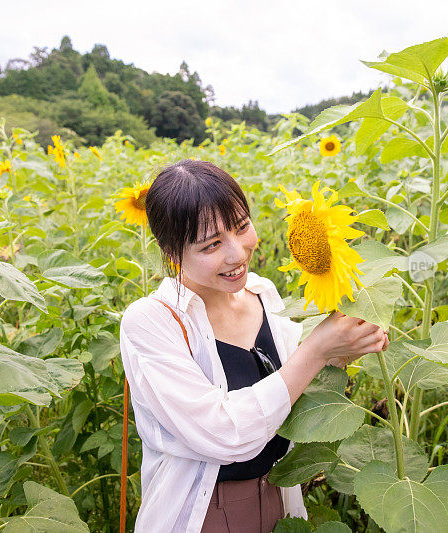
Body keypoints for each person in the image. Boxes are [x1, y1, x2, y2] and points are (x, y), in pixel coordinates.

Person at [119, 159, 389, 533]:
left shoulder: (263, 293)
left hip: (280, 497)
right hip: (203, 511)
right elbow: (222, 432)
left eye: (242, 226)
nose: (237, 254)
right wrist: (315, 351)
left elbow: (294, 389)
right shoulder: (152, 322)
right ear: (172, 252)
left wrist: (343, 350)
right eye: (211, 244)